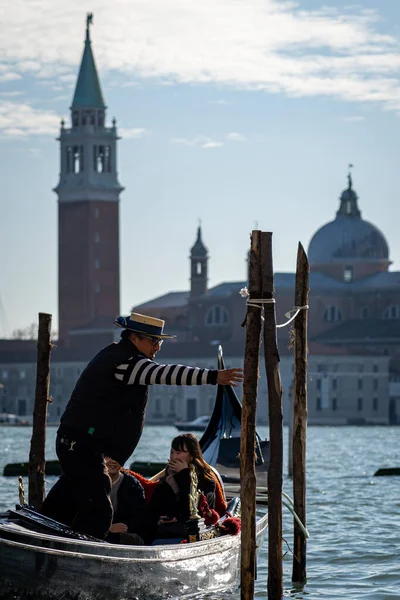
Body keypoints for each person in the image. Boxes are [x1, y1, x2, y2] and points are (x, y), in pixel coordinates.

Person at [41, 312, 243, 539]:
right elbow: (166, 374)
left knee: (65, 498)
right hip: (81, 445)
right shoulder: (126, 362)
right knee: (99, 509)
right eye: (154, 340)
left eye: (160, 342)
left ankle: (42, 529)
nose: (158, 347)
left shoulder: (119, 357)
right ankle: (81, 556)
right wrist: (214, 376)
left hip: (80, 444)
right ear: (135, 338)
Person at [147, 433, 227, 543]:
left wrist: (184, 474)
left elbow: (198, 509)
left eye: (179, 453)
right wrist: (160, 519)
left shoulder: (206, 479)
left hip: (195, 528)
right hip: (167, 529)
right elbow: (154, 508)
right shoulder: (168, 478)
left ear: (192, 455)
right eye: (172, 452)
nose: (174, 457)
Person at [104, 456, 147, 545]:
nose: (113, 461)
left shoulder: (133, 486)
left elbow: (140, 518)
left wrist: (123, 527)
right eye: (108, 457)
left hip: (123, 535)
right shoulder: (91, 482)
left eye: (116, 457)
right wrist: (108, 528)